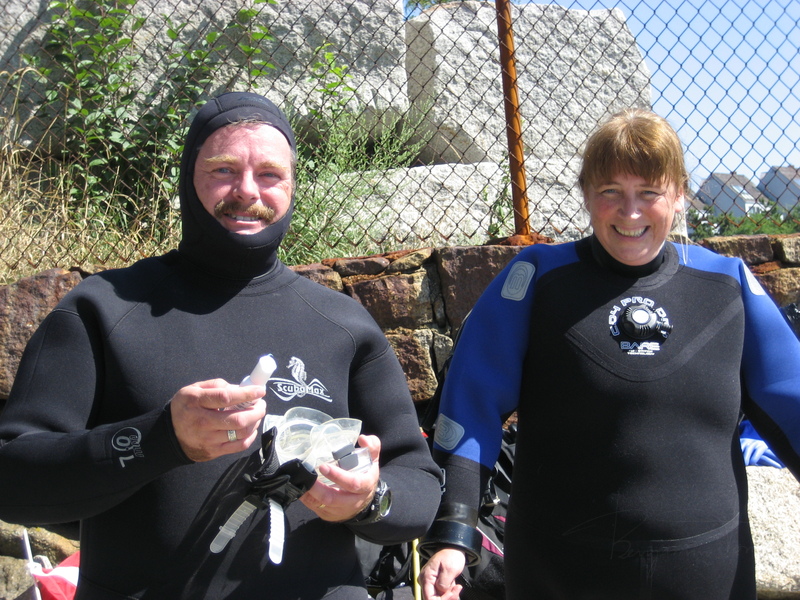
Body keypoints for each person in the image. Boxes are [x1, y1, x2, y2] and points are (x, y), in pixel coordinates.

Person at [0, 91, 442, 599]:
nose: (247, 190)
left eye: (270, 174)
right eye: (224, 169)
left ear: (292, 186)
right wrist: (160, 439)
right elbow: (13, 479)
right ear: (188, 178)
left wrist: (368, 500)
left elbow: (419, 484)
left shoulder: (342, 325)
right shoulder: (105, 309)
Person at [417, 108, 800, 600]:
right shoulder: (536, 280)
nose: (630, 212)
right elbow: (470, 406)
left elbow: (790, 398)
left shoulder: (727, 285)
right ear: (586, 195)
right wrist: (454, 532)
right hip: (559, 572)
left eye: (650, 192)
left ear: (679, 195)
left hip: (706, 572)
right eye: (611, 191)